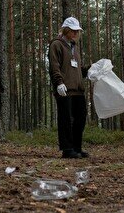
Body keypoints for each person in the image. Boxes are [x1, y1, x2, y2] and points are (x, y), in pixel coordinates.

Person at [48, 17, 90, 159]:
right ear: (66, 30)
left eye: (77, 31)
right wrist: (59, 82)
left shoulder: (74, 47)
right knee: (65, 119)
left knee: (81, 118)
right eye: (73, 31)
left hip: (78, 89)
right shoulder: (56, 44)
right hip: (64, 89)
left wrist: (91, 69)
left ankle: (77, 147)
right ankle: (67, 149)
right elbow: (54, 66)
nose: (76, 33)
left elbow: (78, 69)